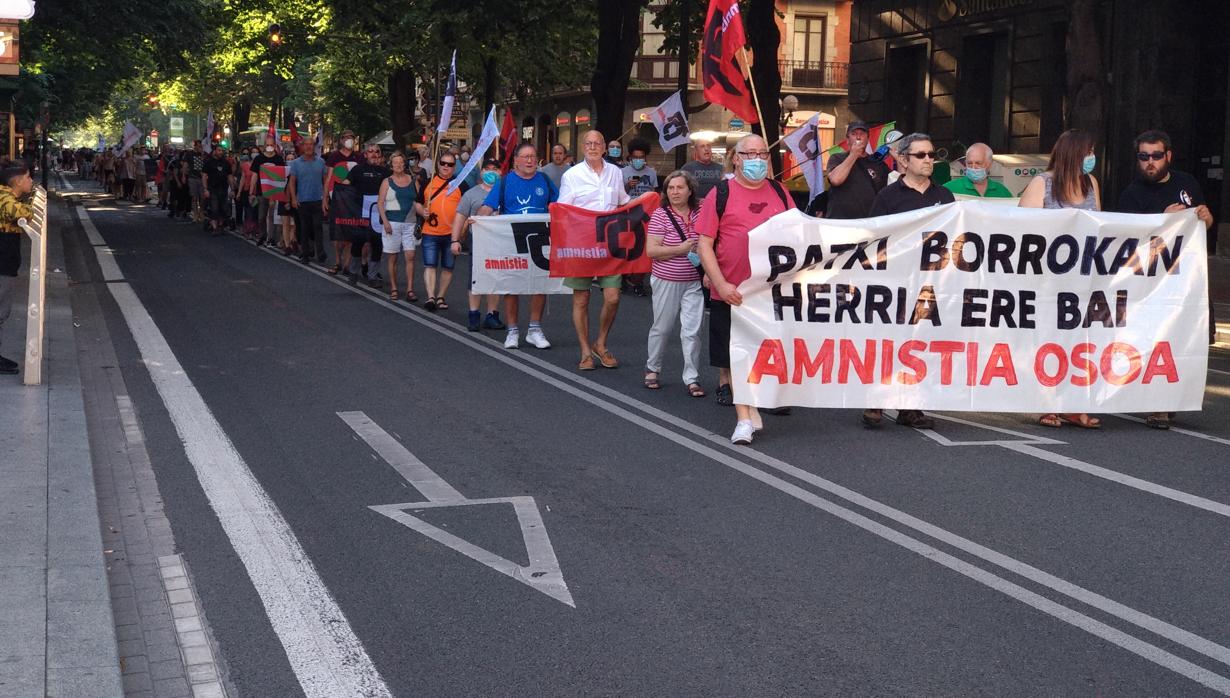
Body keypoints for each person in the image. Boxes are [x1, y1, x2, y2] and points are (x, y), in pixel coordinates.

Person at [1116, 129, 1216, 430]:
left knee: (1187, 336)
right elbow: (1126, 239)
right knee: (1156, 337)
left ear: (1168, 156)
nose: (1150, 162)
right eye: (1144, 156)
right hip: (1151, 282)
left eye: (1156, 156)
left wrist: (1204, 217)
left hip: (1187, 278)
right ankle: (1158, 404)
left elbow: (1205, 225)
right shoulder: (1131, 194)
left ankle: (1172, 396)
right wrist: (1164, 219)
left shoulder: (1187, 184)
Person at [696, 134, 793, 444]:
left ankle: (754, 407)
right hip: (733, 293)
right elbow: (704, 244)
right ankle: (743, 418)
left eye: (763, 153)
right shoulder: (720, 194)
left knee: (765, 353)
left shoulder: (780, 192)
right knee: (738, 356)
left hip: (772, 292)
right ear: (735, 159)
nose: (757, 159)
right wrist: (721, 283)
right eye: (749, 153)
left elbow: (800, 236)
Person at [860, 133, 956, 430]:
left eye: (931, 154)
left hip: (930, 281)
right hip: (894, 282)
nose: (929, 160)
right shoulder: (887, 197)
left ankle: (909, 407)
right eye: (921, 155)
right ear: (903, 160)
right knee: (887, 342)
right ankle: (874, 400)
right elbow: (873, 238)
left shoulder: (944, 197)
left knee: (919, 343)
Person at [1019, 128, 1103, 430]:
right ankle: (1046, 403)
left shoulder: (1091, 183)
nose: (1093, 157)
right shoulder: (1042, 185)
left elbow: (1099, 228)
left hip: (1081, 281)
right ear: (1074, 154)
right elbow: (1019, 232)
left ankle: (1072, 405)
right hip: (1046, 283)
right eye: (1089, 151)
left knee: (1078, 342)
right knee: (1048, 342)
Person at [558, 130, 631, 370]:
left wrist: (648, 201)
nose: (592, 147)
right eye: (588, 143)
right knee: (582, 299)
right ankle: (585, 351)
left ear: (604, 148)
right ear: (582, 147)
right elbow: (563, 210)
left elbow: (623, 202)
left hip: (609, 245)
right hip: (581, 245)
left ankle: (601, 343)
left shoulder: (615, 173)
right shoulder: (572, 175)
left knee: (613, 297)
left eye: (596, 143)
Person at [475, 142, 558, 349]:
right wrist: (478, 220)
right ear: (516, 161)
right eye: (525, 157)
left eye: (533, 156)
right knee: (511, 286)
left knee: (540, 285)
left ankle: (534, 329)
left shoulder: (545, 181)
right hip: (511, 241)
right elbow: (488, 207)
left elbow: (560, 206)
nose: (530, 161)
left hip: (540, 241)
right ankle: (512, 331)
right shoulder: (504, 182)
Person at [645, 170, 705, 398]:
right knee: (662, 327)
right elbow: (652, 250)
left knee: (692, 331)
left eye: (680, 187)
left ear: (690, 190)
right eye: (670, 188)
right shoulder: (660, 215)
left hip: (694, 281)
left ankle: (692, 378)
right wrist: (680, 249)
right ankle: (653, 368)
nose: (675, 192)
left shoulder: (701, 212)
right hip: (666, 280)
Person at [452, 157, 506, 331]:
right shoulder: (471, 194)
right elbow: (460, 217)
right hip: (478, 243)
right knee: (476, 280)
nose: (491, 172)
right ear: (481, 172)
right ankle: (474, 314)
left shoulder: (506, 191)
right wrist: (455, 240)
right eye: (488, 168)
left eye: (495, 169)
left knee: (496, 279)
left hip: (500, 243)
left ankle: (492, 315)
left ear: (500, 172)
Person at [378, 151, 428, 302]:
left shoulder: (413, 180)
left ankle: (410, 289)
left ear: (404, 164)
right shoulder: (387, 182)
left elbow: (420, 200)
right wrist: (385, 222)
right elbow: (380, 203)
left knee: (410, 257)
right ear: (391, 165)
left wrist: (423, 211)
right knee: (392, 257)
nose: (399, 165)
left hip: (410, 223)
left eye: (401, 162)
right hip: (392, 223)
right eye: (395, 162)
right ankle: (394, 288)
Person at [419, 152, 464, 311]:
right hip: (430, 231)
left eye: (450, 164)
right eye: (443, 163)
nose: (446, 167)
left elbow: (468, 206)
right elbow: (417, 202)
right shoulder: (427, 182)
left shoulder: (461, 184)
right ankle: (431, 297)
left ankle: (440, 297)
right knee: (430, 265)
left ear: (454, 167)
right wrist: (421, 210)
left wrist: (460, 233)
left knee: (448, 267)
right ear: (438, 164)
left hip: (451, 234)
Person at [0, 164, 34, 375]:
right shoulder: (4, 198)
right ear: (18, 181)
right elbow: (18, 212)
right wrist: (30, 209)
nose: (31, 181)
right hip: (2, 263)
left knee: (2, 311)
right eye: (28, 177)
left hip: (6, 263)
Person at [345, 144, 391, 286]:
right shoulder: (357, 169)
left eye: (377, 151)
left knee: (377, 243)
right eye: (370, 151)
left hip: (378, 214)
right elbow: (345, 184)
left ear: (380, 155)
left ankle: (372, 276)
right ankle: (353, 272)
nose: (374, 154)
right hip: (360, 212)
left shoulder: (385, 172)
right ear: (365, 154)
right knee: (358, 242)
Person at [825, 121, 889, 219]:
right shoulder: (837, 158)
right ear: (847, 139)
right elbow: (836, 180)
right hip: (840, 222)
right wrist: (854, 154)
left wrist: (899, 158)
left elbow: (896, 185)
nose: (858, 137)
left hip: (868, 223)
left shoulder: (877, 163)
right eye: (854, 134)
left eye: (862, 134)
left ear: (867, 139)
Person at [324, 129, 362, 270]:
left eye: (351, 137)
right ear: (341, 140)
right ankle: (337, 261)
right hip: (337, 199)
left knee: (350, 231)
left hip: (353, 200)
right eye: (346, 137)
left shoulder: (359, 158)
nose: (349, 140)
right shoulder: (334, 157)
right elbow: (328, 179)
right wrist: (325, 198)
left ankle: (347, 263)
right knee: (338, 232)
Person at [287, 140, 329, 265]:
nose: (309, 147)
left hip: (318, 200)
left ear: (314, 147)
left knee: (318, 227)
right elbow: (292, 182)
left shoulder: (321, 162)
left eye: (311, 144)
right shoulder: (296, 163)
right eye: (306, 144)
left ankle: (320, 252)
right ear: (302, 147)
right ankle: (305, 253)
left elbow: (325, 181)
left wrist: (325, 199)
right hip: (303, 201)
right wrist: (294, 198)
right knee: (304, 229)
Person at [249, 136, 285, 246]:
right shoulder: (259, 159)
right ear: (265, 146)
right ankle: (262, 235)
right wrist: (251, 192)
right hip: (261, 191)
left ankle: (272, 237)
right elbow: (254, 176)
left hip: (274, 192)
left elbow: (282, 176)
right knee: (261, 216)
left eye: (271, 145)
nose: (269, 147)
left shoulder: (279, 159)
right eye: (267, 145)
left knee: (273, 216)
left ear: (275, 146)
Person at [943, 142, 1014, 198]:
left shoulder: (1001, 191)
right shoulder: (949, 189)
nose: (973, 167)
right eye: (969, 163)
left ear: (989, 164)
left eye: (978, 163)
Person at [201, 145, 233, 236]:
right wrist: (205, 189)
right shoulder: (209, 162)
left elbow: (229, 176)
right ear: (214, 151)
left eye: (222, 151)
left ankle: (220, 226)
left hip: (223, 189)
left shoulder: (226, 163)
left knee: (223, 208)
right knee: (214, 208)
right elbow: (204, 176)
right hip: (212, 189)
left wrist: (232, 189)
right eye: (219, 150)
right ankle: (215, 228)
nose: (221, 152)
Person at [184, 140, 206, 222]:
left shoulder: (204, 155)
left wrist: (203, 155)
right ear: (195, 146)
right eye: (199, 146)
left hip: (202, 178)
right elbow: (185, 165)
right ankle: (195, 214)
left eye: (201, 146)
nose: (200, 148)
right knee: (194, 197)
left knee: (203, 197)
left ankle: (201, 212)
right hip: (193, 177)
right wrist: (184, 175)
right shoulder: (189, 154)